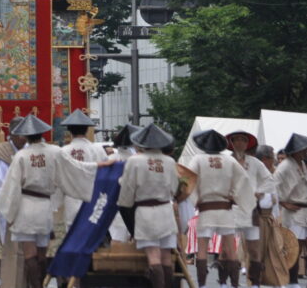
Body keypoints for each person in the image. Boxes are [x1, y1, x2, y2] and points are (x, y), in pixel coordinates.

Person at [0, 115, 106, 288]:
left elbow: (12, 186)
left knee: (29, 254)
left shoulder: (21, 156)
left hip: (25, 205)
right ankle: (44, 283)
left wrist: (9, 211)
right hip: (44, 206)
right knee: (42, 253)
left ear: (25, 136)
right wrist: (97, 166)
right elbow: (77, 167)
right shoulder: (54, 151)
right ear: (42, 133)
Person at [186, 129, 254, 288]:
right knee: (230, 249)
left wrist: (194, 200)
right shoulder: (230, 161)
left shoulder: (197, 159)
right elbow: (243, 179)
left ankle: (202, 284)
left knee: (202, 248)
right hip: (225, 208)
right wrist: (235, 196)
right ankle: (234, 285)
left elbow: (189, 179)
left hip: (206, 208)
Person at [116, 123, 179, 288]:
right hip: (165, 210)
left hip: (145, 212)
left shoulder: (135, 160)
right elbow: (174, 188)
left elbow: (127, 188)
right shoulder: (170, 161)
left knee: (153, 256)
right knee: (166, 256)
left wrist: (125, 204)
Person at [225, 129, 280, 287]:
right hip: (231, 209)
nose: (240, 142)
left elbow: (269, 181)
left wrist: (258, 194)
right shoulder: (225, 161)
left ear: (247, 143)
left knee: (254, 249)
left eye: (243, 140)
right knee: (226, 250)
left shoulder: (255, 162)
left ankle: (254, 282)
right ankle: (227, 282)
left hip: (250, 210)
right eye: (237, 140)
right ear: (232, 143)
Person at [0, 117, 27, 288]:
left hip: (31, 207)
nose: (23, 138)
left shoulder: (32, 150)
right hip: (9, 208)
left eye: (26, 135)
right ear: (12, 135)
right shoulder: (1, 154)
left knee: (29, 251)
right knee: (11, 249)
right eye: (20, 135)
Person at [275, 133, 307, 288]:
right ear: (296, 150)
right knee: (294, 247)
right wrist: (283, 203)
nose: (306, 150)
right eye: (303, 148)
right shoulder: (285, 166)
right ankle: (292, 281)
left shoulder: (301, 164)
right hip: (294, 211)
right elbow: (272, 187)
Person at [59, 109, 108, 227]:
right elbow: (105, 173)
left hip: (71, 197)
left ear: (69, 130)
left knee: (72, 233)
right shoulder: (97, 149)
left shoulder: (63, 151)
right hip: (93, 196)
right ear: (87, 129)